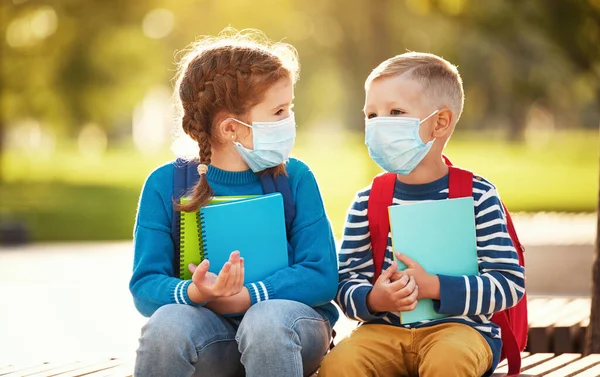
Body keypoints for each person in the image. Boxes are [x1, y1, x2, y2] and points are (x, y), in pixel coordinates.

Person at [130, 28, 338, 377]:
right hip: (213, 337)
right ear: (230, 128)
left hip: (291, 331)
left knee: (265, 320)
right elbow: (145, 286)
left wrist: (250, 296)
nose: (289, 121)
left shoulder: (295, 178)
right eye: (279, 111)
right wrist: (193, 292)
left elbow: (321, 275)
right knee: (165, 325)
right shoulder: (164, 185)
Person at [319, 52, 525, 377]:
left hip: (461, 332)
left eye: (395, 112)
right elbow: (346, 282)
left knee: (448, 363)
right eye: (371, 115)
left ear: (440, 122)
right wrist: (374, 298)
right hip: (383, 332)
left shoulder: (478, 196)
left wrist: (436, 287)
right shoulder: (367, 200)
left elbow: (509, 284)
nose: (377, 124)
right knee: (339, 365)